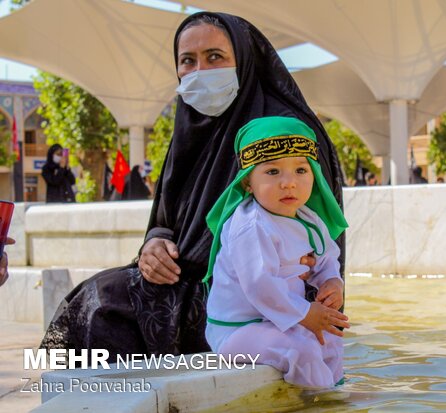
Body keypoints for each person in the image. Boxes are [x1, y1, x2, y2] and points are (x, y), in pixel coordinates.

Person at [40, 12, 345, 359]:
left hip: (258, 299)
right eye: (188, 61)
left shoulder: (282, 131)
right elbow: (168, 218)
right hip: (183, 280)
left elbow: (314, 237)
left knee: (104, 304)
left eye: (215, 57)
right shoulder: (193, 127)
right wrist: (155, 243)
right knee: (95, 299)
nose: (200, 71)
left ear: (243, 61)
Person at [205, 117, 349, 388]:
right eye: (273, 172)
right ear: (248, 182)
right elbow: (260, 285)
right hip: (239, 330)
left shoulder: (308, 218)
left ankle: (337, 396)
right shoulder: (251, 225)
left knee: (330, 340)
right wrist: (305, 314)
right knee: (301, 351)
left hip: (282, 320)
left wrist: (331, 281)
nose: (289, 183)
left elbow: (327, 257)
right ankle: (319, 404)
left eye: (300, 171)